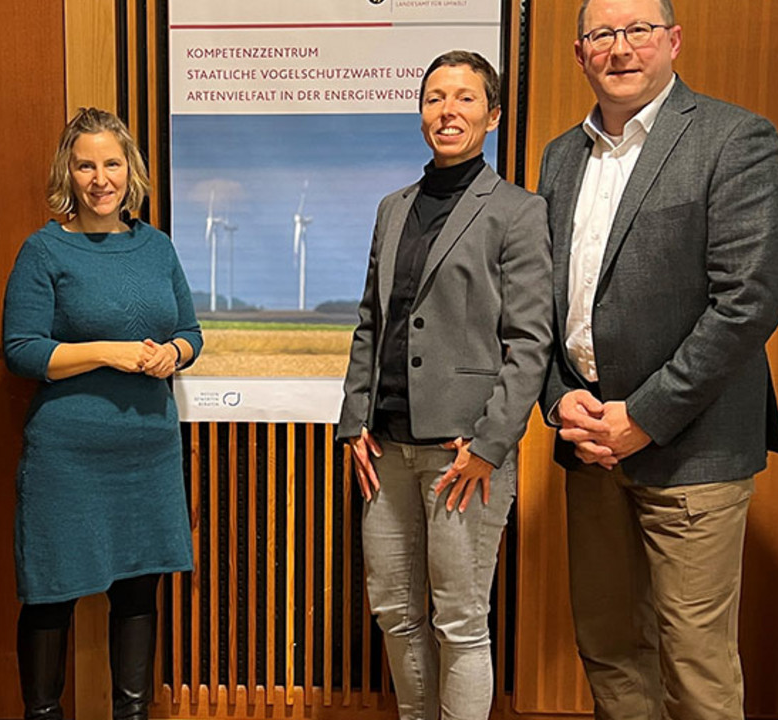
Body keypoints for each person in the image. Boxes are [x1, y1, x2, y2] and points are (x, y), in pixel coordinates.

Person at [537, 0, 778, 718]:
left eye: (638, 30)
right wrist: (558, 397)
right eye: (601, 35)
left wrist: (644, 416)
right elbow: (539, 300)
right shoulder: (560, 158)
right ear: (580, 53)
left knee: (695, 660)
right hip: (589, 444)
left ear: (673, 41)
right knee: (610, 646)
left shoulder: (734, 138)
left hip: (694, 447)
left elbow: (748, 301)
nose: (620, 48)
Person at [337, 51, 552, 720]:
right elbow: (373, 320)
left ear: (492, 116)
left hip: (464, 454)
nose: (447, 110)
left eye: (464, 99)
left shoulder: (517, 211)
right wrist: (353, 421)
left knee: (459, 620)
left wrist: (491, 445)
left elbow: (530, 341)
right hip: (386, 449)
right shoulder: (392, 208)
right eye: (435, 97)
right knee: (395, 612)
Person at [2, 107, 202, 720]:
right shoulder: (44, 250)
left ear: (129, 170)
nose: (99, 178)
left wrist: (174, 353)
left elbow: (192, 331)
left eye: (111, 163)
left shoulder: (157, 246)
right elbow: (22, 350)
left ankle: (132, 714)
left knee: (139, 591)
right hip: (68, 456)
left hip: (147, 452)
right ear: (69, 171)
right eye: (85, 164)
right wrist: (107, 354)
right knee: (50, 594)